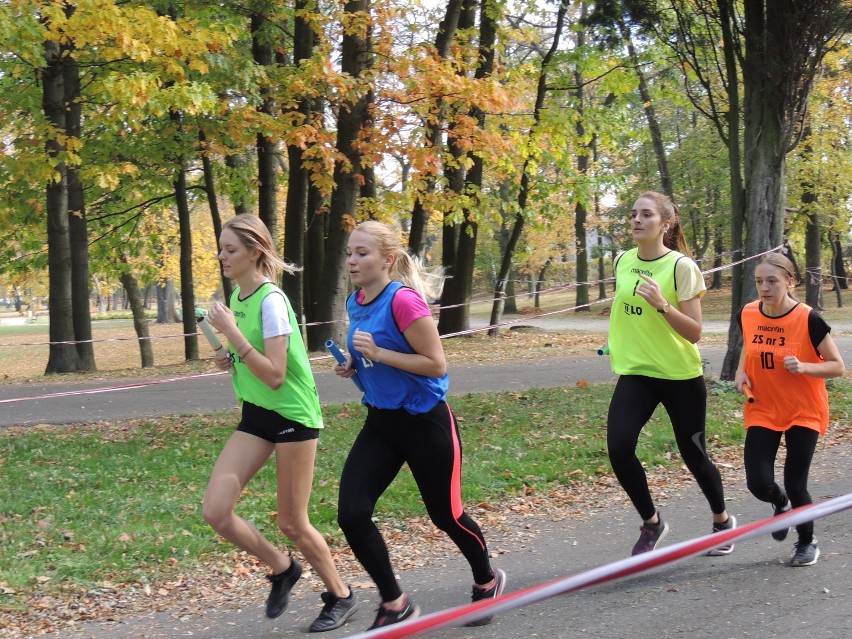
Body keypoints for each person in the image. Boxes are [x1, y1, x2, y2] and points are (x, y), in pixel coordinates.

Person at [332, 220, 506, 630]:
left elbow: (436, 365)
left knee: (446, 516)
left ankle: (487, 578)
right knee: (352, 514)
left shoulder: (404, 301)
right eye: (350, 253)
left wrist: (379, 353)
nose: (353, 261)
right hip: (381, 422)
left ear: (387, 260)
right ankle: (395, 603)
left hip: (424, 421)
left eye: (362, 253)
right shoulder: (356, 301)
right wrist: (355, 363)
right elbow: (375, 351)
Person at [202, 214, 357, 632]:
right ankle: (282, 568)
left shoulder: (271, 301)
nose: (222, 256)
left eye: (230, 249)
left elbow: (274, 373)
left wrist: (234, 336)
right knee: (216, 510)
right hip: (257, 414)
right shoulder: (236, 299)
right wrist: (227, 355)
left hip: (292, 415)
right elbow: (248, 363)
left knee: (291, 521)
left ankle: (341, 596)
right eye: (220, 248)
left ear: (255, 252)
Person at [605, 191, 735, 556]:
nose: (636, 220)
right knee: (619, 446)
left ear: (665, 223)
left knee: (694, 455)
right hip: (638, 374)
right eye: (633, 214)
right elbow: (630, 312)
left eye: (645, 215)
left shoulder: (681, 267)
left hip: (680, 377)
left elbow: (695, 332)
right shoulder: (623, 261)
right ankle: (652, 521)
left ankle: (722, 520)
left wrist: (662, 306)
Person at [734, 252, 845, 566]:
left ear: (790, 281)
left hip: (803, 409)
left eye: (772, 281)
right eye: (759, 281)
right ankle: (779, 503)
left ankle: (807, 542)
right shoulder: (749, 312)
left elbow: (838, 366)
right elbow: (749, 343)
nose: (764, 288)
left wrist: (806, 366)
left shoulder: (807, 318)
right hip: (763, 406)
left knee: (796, 482)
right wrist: (742, 370)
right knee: (758, 483)